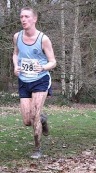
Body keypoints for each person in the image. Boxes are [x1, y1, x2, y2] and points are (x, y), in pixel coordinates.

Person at [12, 7, 57, 159]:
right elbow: (15, 53)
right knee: (27, 120)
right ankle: (43, 120)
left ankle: (37, 148)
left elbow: (53, 62)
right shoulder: (17, 36)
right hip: (24, 80)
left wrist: (43, 66)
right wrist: (15, 66)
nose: (23, 19)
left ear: (34, 19)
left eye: (26, 17)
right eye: (21, 17)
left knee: (35, 114)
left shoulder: (43, 39)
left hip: (40, 80)